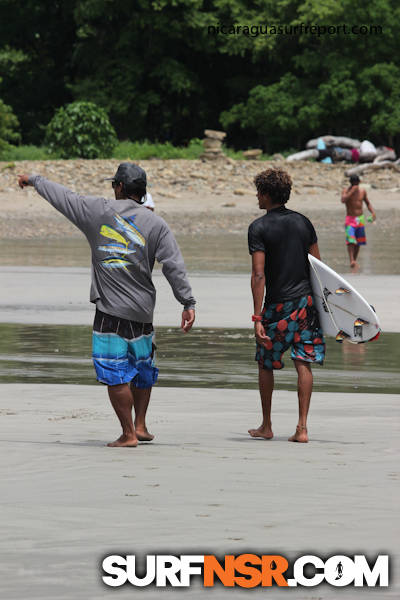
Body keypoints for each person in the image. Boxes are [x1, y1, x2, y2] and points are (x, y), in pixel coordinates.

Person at [18, 162, 196, 447]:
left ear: (120, 187)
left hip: (110, 312)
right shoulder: (156, 223)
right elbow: (174, 266)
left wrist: (34, 180)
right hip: (142, 311)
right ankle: (140, 425)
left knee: (114, 372)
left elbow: (64, 198)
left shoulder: (98, 211)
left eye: (114, 184)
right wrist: (187, 302)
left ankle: (128, 434)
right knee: (141, 367)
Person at [247, 168, 325, 443]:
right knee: (303, 363)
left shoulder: (259, 227)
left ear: (267, 195)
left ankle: (267, 425)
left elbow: (259, 274)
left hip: (277, 309)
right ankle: (302, 428)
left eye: (258, 192)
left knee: (266, 363)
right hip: (305, 305)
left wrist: (258, 317)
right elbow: (318, 268)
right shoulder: (304, 223)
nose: (256, 196)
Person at [341, 174, 376, 271]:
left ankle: (354, 260)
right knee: (351, 241)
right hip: (350, 219)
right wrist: (352, 191)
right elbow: (343, 200)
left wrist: (373, 213)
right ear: (351, 183)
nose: (355, 185)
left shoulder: (362, 191)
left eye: (356, 183)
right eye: (353, 184)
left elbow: (367, 203)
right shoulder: (346, 191)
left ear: (359, 182)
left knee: (358, 242)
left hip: (360, 219)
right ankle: (351, 260)